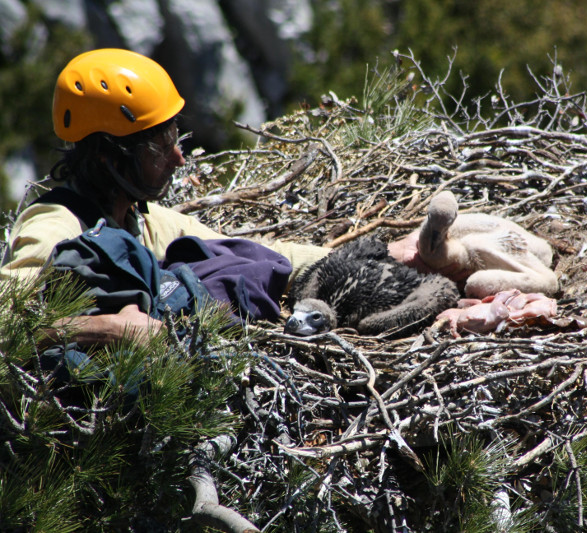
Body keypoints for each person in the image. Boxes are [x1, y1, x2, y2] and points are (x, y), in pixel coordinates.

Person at [0, 48, 433, 347]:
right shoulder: (54, 225)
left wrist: (386, 257)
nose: (178, 157)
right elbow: (6, 325)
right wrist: (107, 328)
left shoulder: (140, 218)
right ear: (108, 157)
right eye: (159, 147)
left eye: (175, 138)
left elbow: (259, 253)